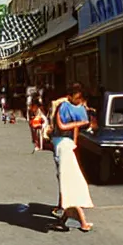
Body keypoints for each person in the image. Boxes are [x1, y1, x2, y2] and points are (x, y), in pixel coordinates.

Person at [46, 82, 94, 232]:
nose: (78, 100)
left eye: (80, 98)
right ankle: (66, 220)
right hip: (63, 145)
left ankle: (82, 223)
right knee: (68, 182)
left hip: (65, 146)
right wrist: (78, 124)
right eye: (76, 97)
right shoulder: (64, 107)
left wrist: (75, 129)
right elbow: (63, 126)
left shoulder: (79, 109)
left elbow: (63, 127)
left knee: (68, 184)